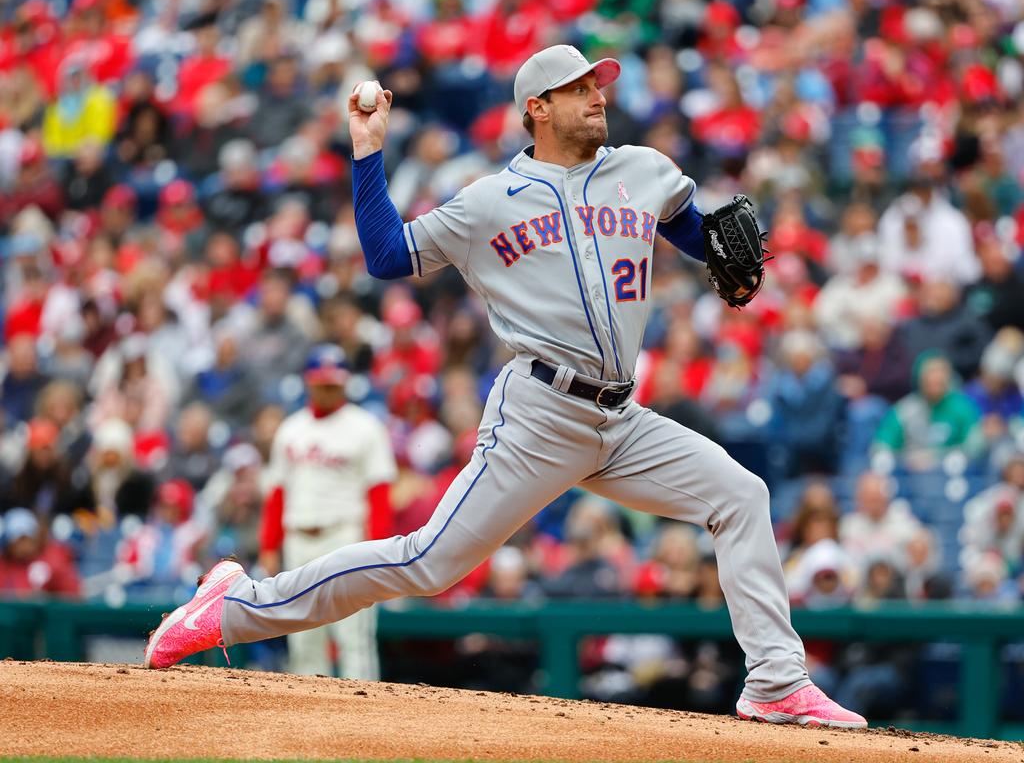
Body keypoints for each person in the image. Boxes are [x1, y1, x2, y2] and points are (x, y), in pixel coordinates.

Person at [145, 44, 865, 728]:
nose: (597, 96)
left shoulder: (643, 169)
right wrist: (369, 151)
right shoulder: (491, 201)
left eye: (598, 85)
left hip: (622, 419)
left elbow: (684, 220)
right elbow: (388, 256)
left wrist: (713, 254)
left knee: (741, 495)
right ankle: (232, 606)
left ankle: (776, 683)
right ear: (537, 108)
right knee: (428, 563)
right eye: (579, 89)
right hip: (540, 415)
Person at [256, 345, 398, 679]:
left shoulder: (365, 427)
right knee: (303, 640)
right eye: (322, 383)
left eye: (334, 383)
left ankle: (364, 716)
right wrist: (268, 546)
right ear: (308, 382)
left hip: (345, 537)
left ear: (346, 383)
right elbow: (277, 493)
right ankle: (309, 722)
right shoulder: (291, 428)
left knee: (353, 637)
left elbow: (379, 495)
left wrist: (379, 550)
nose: (328, 389)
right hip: (298, 538)